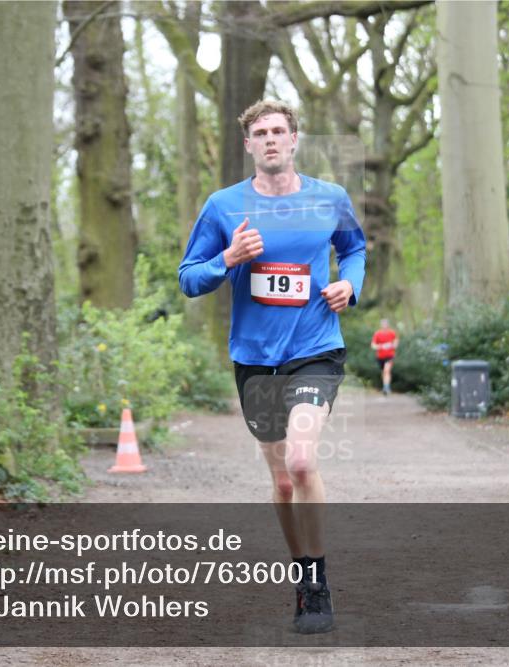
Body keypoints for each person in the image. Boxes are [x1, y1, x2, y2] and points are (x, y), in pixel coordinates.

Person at [178, 99, 366, 634]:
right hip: (255, 361)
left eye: (279, 131)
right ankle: (301, 574)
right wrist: (229, 259)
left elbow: (354, 250)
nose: (270, 140)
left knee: (303, 461)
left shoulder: (330, 198)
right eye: (260, 133)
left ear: (294, 139)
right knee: (283, 482)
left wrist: (349, 285)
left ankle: (318, 582)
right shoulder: (223, 207)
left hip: (315, 350)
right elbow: (189, 278)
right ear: (248, 145)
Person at [371, 318, 399, 396]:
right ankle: (385, 387)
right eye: (383, 324)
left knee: (387, 370)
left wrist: (392, 345)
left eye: (386, 324)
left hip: (390, 356)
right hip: (380, 356)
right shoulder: (377, 333)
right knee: (384, 372)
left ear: (388, 325)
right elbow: (373, 345)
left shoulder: (392, 333)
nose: (384, 325)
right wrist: (381, 346)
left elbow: (396, 343)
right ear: (381, 325)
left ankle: (387, 388)